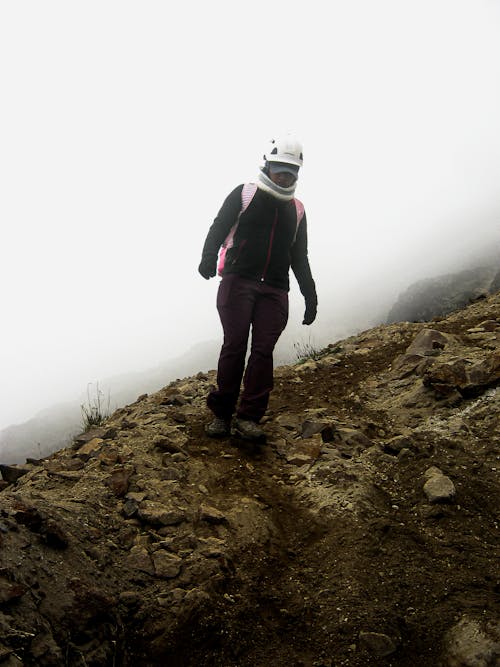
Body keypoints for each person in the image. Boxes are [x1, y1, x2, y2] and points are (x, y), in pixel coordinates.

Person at [198, 135, 317, 441]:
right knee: (235, 345)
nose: (285, 175)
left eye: (292, 171)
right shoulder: (245, 194)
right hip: (238, 281)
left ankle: (248, 418)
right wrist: (208, 257)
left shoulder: (298, 210)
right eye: (280, 167)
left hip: (275, 290)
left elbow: (298, 256)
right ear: (268, 164)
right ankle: (222, 414)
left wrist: (309, 294)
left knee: (263, 352)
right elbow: (219, 226)